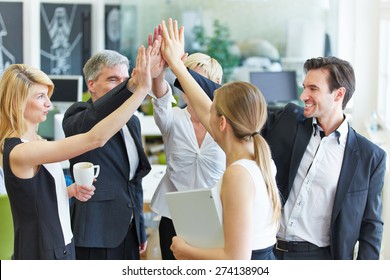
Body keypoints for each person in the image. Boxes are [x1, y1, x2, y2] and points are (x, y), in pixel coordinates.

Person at [177, 52, 388, 259]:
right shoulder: (289, 121)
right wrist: (179, 69)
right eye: (304, 87)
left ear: (338, 95)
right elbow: (234, 103)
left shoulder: (370, 157)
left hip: (319, 259)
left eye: (313, 89)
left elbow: (371, 227)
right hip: (270, 251)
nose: (303, 96)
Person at [0, 45, 152, 260]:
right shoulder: (21, 150)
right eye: (40, 96)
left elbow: (37, 196)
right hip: (42, 250)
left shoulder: (35, 143)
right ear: (18, 102)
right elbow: (95, 138)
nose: (48, 103)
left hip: (61, 243)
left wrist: (69, 191)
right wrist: (141, 90)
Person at [160, 18, 281, 260]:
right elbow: (204, 107)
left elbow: (237, 260)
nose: (207, 114)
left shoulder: (238, 173)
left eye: (213, 110)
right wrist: (175, 65)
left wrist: (185, 251)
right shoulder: (257, 155)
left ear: (222, 123)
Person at [62, 45, 161, 260]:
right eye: (113, 80)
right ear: (92, 85)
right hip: (96, 232)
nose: (124, 86)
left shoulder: (133, 121)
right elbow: (95, 123)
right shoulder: (78, 114)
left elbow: (133, 180)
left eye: (126, 80)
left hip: (129, 230)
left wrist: (140, 226)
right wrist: (135, 87)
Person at [150, 50, 226, 259]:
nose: (189, 86)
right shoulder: (173, 119)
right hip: (174, 217)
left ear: (216, 82)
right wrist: (159, 70)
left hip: (216, 217)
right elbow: (162, 97)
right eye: (184, 79)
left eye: (195, 80)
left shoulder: (227, 125)